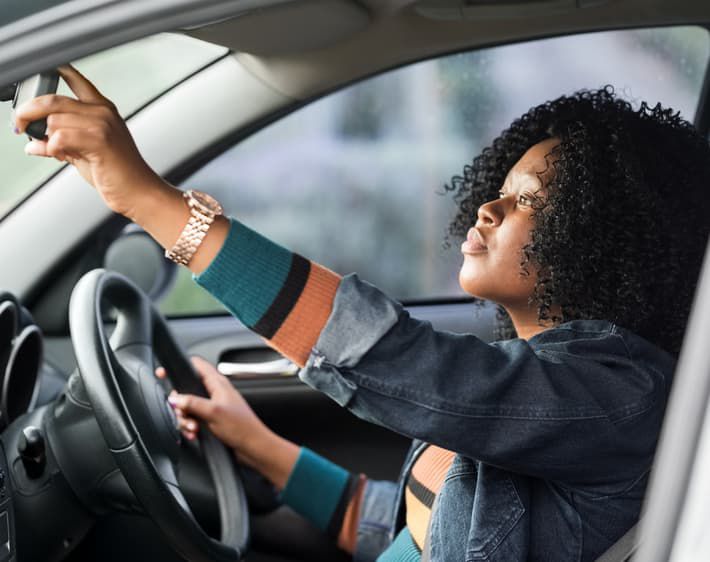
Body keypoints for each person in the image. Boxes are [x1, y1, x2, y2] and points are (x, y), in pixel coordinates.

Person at [13, 65, 710, 562]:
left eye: (532, 201)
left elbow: (392, 357)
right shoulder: (533, 394)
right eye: (497, 189)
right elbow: (391, 525)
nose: (488, 209)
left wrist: (148, 200)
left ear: (608, 235)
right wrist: (255, 442)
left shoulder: (619, 399)